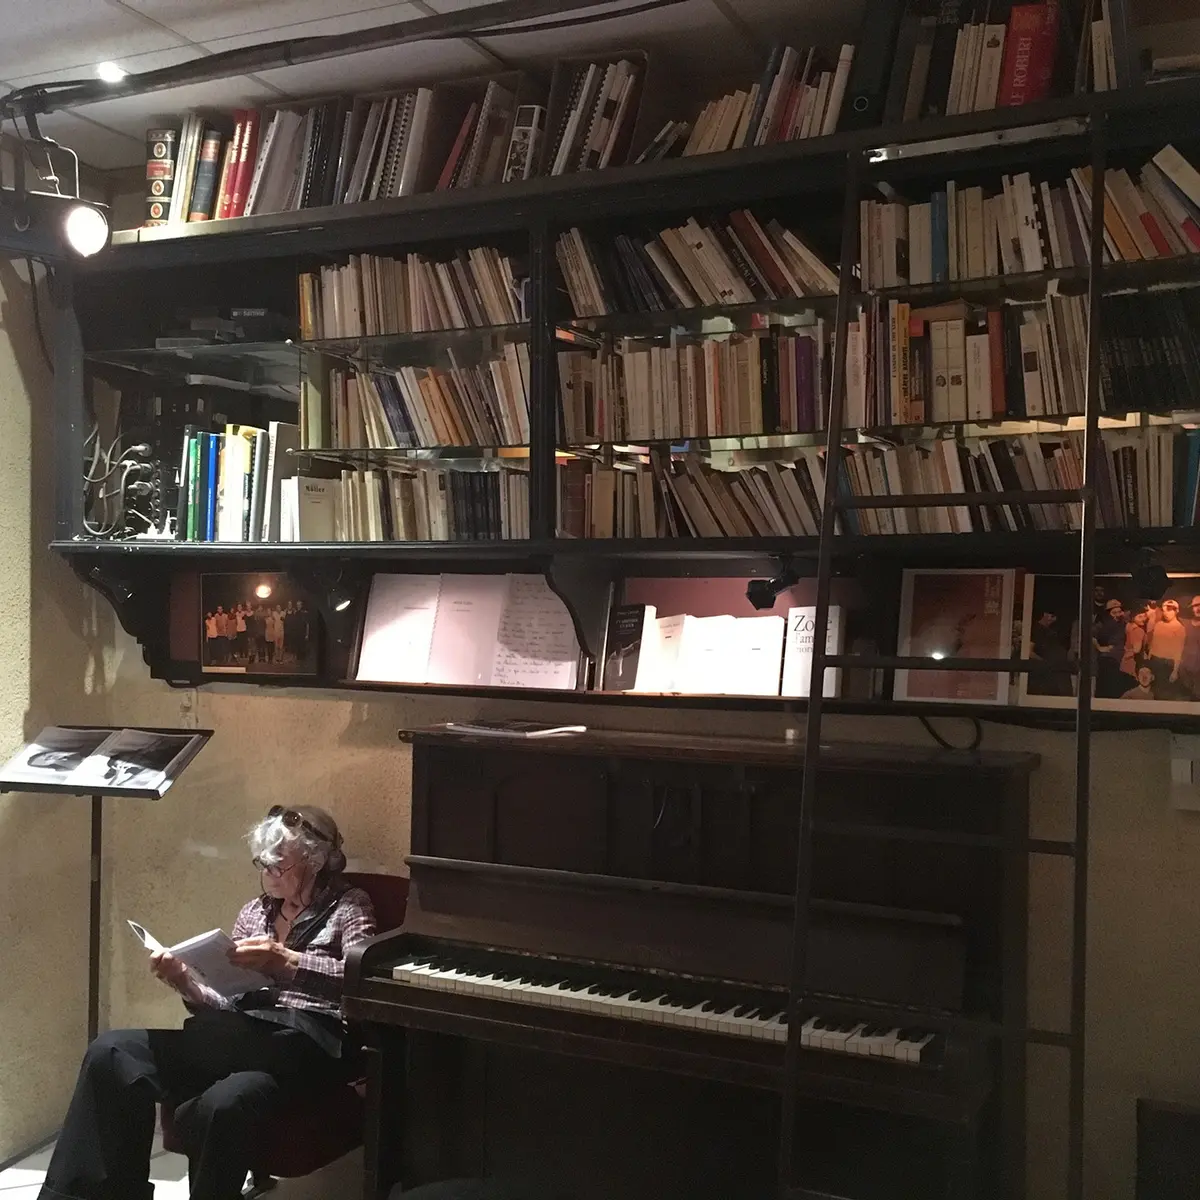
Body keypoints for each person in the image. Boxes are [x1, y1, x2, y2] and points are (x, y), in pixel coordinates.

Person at [38, 806, 375, 1200]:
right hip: (239, 1037)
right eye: (262, 862)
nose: (268, 872)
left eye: (278, 863)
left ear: (315, 860)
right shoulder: (254, 912)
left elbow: (363, 982)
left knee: (224, 1089)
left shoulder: (350, 905)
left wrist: (288, 962)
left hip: (305, 1041)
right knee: (111, 1051)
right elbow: (228, 1000)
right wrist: (185, 982)